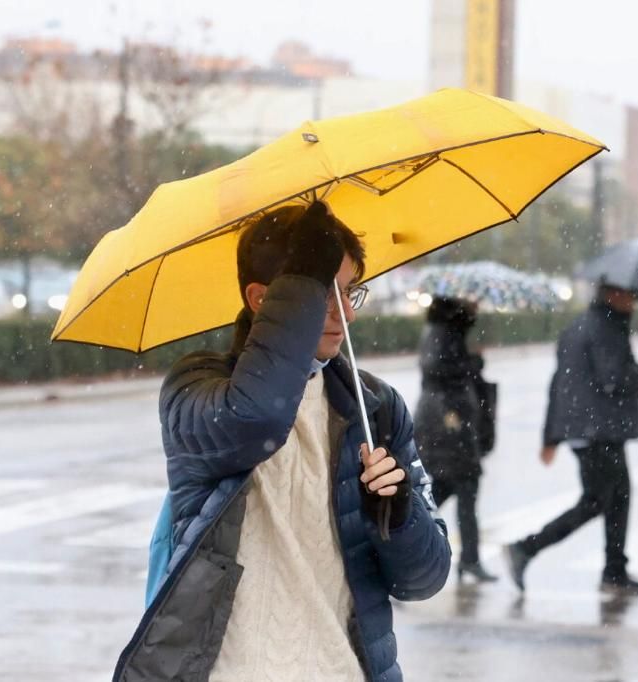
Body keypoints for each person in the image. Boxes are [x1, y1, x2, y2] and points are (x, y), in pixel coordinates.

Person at [113, 202, 451, 682]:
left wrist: (398, 514)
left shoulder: (374, 406)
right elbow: (258, 420)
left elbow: (425, 580)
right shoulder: (197, 386)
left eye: (350, 292)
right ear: (261, 299)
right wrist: (302, 279)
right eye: (325, 294)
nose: (345, 315)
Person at [505, 283, 638, 595]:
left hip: (588, 429)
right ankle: (526, 548)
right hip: (599, 430)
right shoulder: (606, 329)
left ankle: (614, 571)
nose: (633, 304)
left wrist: (551, 435)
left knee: (617, 498)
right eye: (631, 297)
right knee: (597, 501)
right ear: (613, 295)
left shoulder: (579, 326)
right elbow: (614, 380)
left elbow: (559, 383)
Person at [414, 296, 497, 583]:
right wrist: (472, 362)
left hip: (446, 423)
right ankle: (468, 559)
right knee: (464, 487)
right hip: (447, 424)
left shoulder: (446, 330)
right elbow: (436, 368)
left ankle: (412, 542)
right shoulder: (443, 332)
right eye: (471, 301)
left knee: (447, 490)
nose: (477, 305)